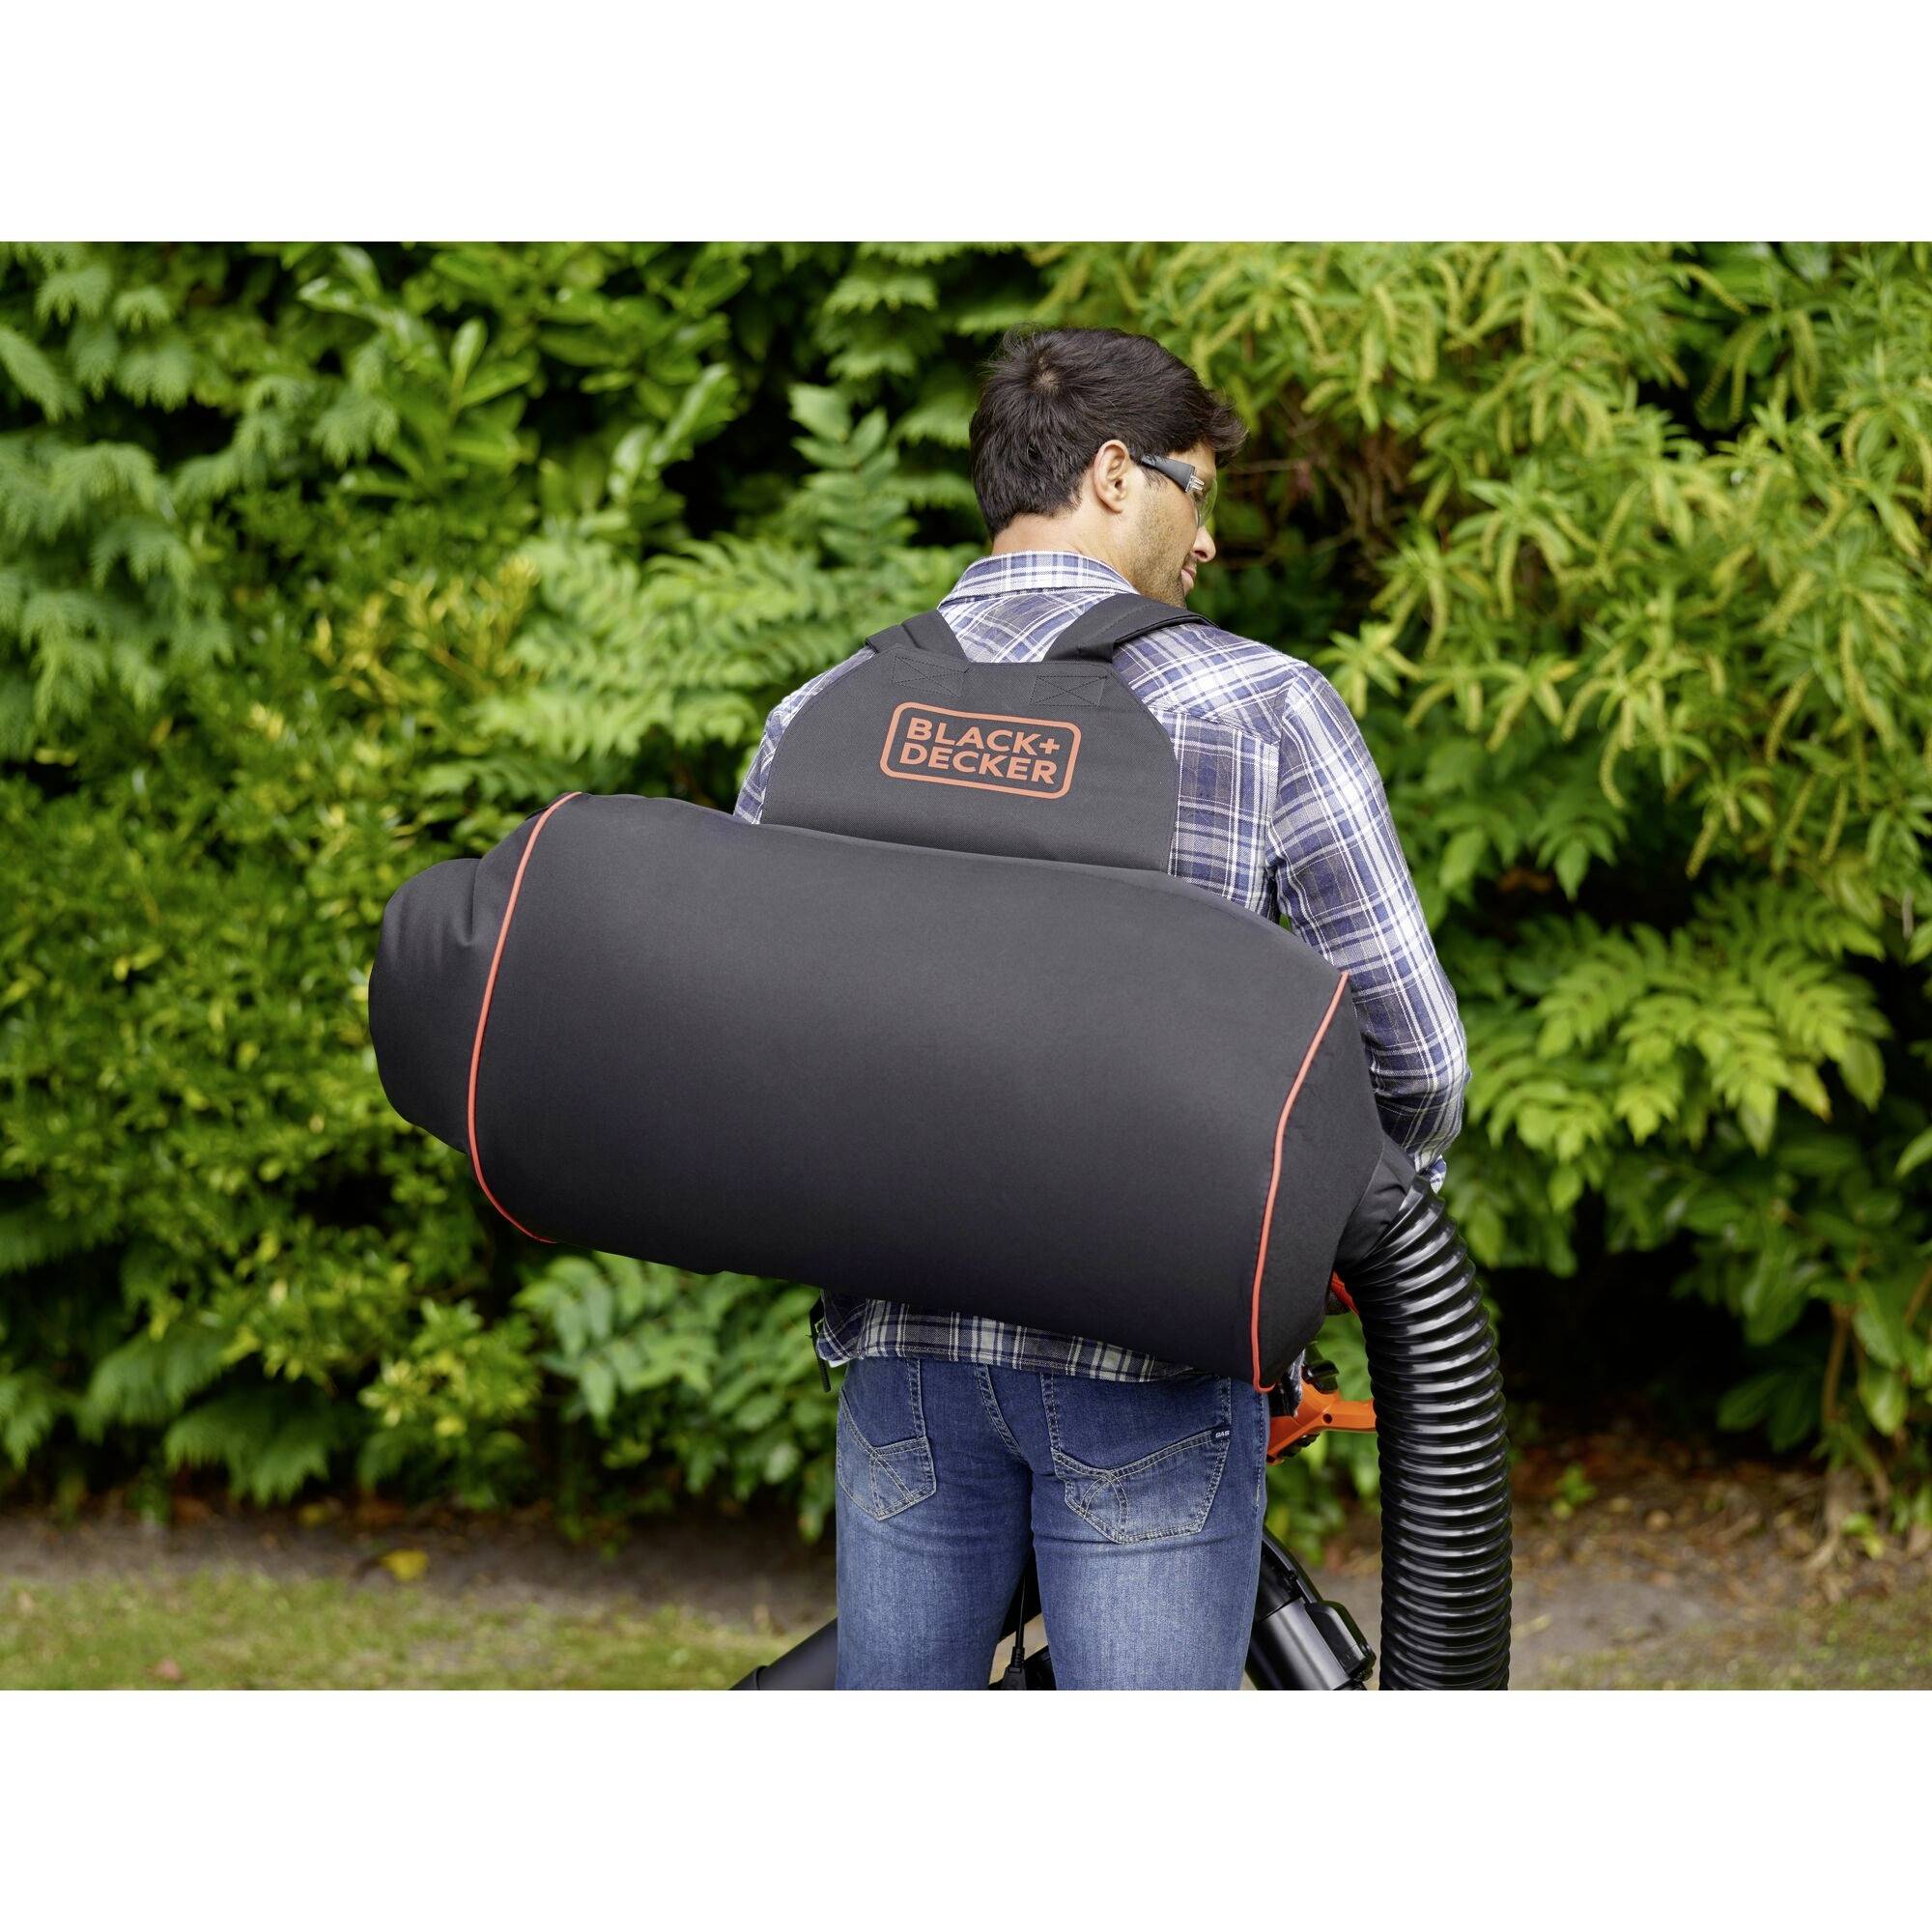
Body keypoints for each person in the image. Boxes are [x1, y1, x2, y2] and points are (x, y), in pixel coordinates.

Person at [733, 326, 1467, 1689]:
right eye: (1199, 491)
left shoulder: (821, 719)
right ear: (1118, 476)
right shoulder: (1261, 713)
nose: (1208, 545)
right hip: (1156, 1362)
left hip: (904, 1361)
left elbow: (759, 1044)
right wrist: (1334, 1243)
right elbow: (1412, 1064)